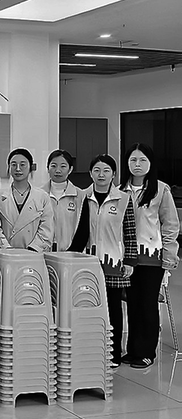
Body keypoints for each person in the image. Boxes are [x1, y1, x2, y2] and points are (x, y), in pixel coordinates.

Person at [70, 154, 138, 367]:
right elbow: (79, 231)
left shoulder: (124, 198)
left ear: (113, 174)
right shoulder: (84, 197)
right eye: (97, 170)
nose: (101, 175)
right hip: (89, 263)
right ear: (90, 173)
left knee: (113, 310)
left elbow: (130, 232)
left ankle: (114, 354)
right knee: (90, 308)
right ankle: (92, 352)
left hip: (114, 263)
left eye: (106, 170)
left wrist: (130, 261)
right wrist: (70, 256)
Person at [119, 143, 179, 368]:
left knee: (147, 304)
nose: (137, 164)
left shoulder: (161, 190)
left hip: (152, 258)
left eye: (142, 160)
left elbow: (170, 224)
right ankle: (133, 349)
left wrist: (169, 257)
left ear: (151, 163)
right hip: (127, 258)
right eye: (133, 160)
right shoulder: (119, 190)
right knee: (132, 304)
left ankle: (146, 352)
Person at [0, 148, 54, 252]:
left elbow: (47, 229)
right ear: (9, 167)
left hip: (34, 254)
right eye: (13, 165)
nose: (18, 169)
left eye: (22, 165)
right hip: (5, 254)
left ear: (30, 167)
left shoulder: (42, 197)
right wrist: (7, 249)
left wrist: (33, 249)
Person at [42, 149, 84, 252]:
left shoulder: (80, 195)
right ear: (47, 168)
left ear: (70, 169)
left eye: (63, 166)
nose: (58, 170)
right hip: (44, 252)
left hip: (71, 253)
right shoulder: (39, 195)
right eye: (53, 166)